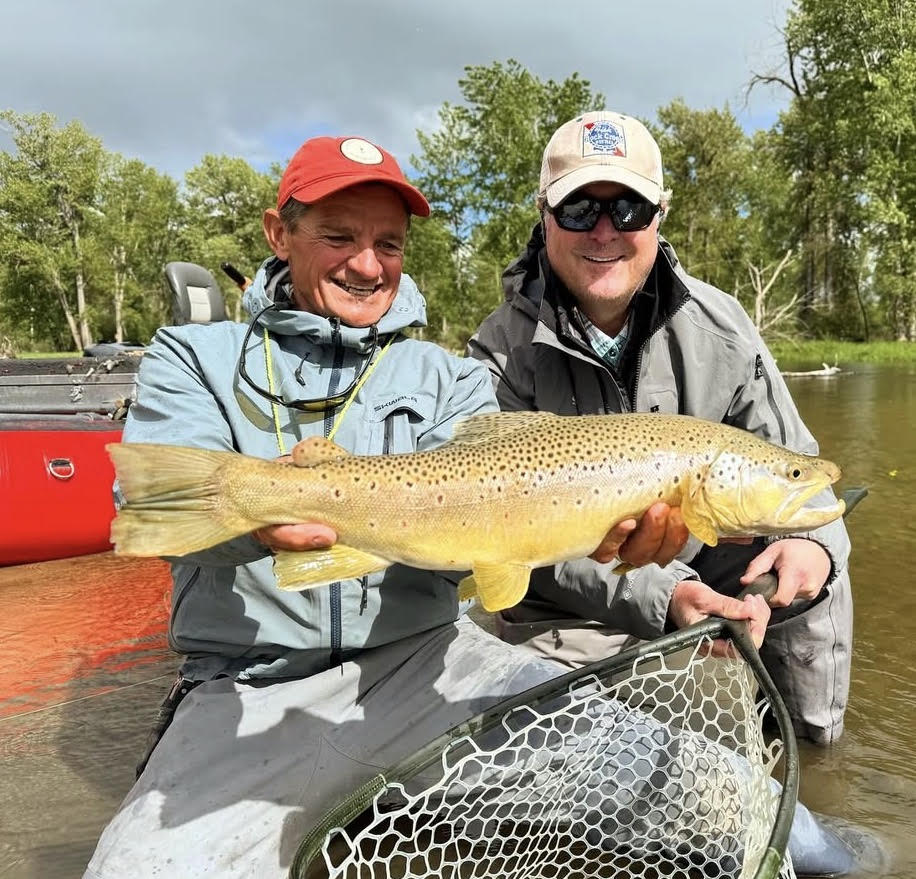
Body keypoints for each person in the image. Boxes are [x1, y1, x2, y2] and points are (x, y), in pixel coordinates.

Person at [84, 133, 861, 879]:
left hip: (437, 667)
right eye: (338, 235)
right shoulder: (192, 358)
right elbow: (151, 511)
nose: (366, 263)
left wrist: (660, 584)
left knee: (772, 818)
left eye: (388, 244)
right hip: (248, 690)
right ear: (278, 234)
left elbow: (530, 524)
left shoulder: (447, 376)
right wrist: (257, 516)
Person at [469, 110, 854, 748]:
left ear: (659, 218)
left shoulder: (722, 325)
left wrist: (819, 546)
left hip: (701, 548)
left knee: (810, 579)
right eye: (577, 211)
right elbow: (510, 543)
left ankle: (808, 753)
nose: (603, 231)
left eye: (627, 211)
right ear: (544, 217)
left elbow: (797, 463)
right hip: (561, 577)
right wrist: (666, 595)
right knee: (587, 769)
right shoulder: (499, 350)